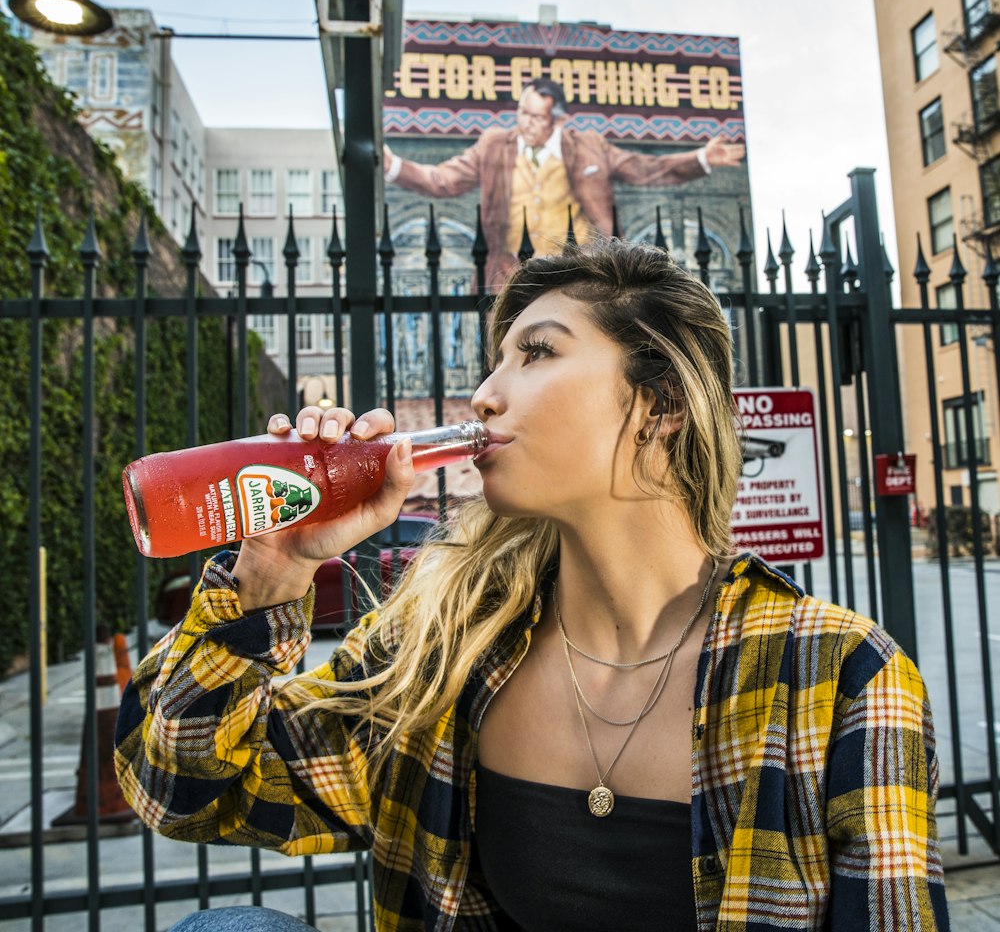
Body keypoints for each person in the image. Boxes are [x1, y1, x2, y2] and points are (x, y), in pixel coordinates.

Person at [115, 241, 948, 931]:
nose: (484, 393)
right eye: (498, 359)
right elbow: (183, 794)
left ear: (657, 404)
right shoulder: (444, 647)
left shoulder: (835, 675)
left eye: (537, 352)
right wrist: (273, 571)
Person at [383, 78, 746, 288]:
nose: (525, 123)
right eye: (522, 113)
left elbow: (644, 168)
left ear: (557, 120)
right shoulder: (494, 144)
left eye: (535, 117)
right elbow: (443, 179)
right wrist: (393, 165)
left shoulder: (589, 147)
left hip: (581, 276)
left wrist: (700, 159)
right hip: (511, 277)